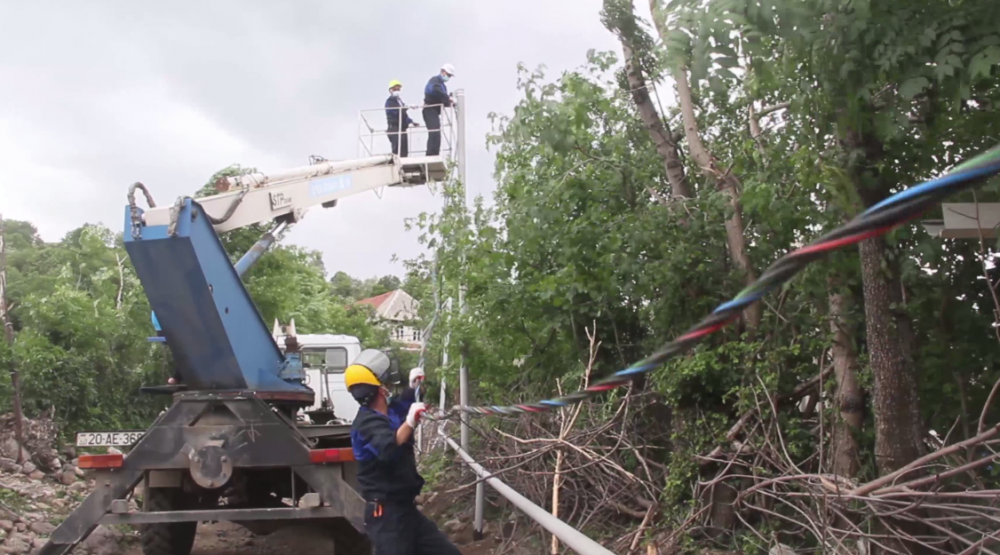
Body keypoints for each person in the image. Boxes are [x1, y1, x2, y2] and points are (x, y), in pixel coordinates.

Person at [346, 350, 460, 555]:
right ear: (381, 390)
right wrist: (410, 421)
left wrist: (414, 387)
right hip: (387, 516)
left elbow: (405, 405)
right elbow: (389, 448)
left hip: (406, 511)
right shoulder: (366, 424)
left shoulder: (388, 412)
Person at [423, 64, 455, 156]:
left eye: (449, 76)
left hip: (435, 111)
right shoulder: (435, 81)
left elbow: (443, 100)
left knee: (437, 132)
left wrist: (450, 103)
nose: (448, 77)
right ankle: (430, 154)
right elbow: (435, 91)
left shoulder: (443, 87)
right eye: (448, 75)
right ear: (443, 72)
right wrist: (448, 98)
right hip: (429, 109)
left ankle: (435, 153)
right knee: (434, 131)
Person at [385, 80, 419, 158]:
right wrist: (408, 107)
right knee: (396, 149)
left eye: (398, 89)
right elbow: (396, 112)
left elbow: (403, 115)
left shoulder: (399, 101)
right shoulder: (390, 101)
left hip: (401, 128)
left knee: (403, 150)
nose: (397, 91)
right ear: (391, 90)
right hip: (394, 127)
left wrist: (411, 122)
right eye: (395, 89)